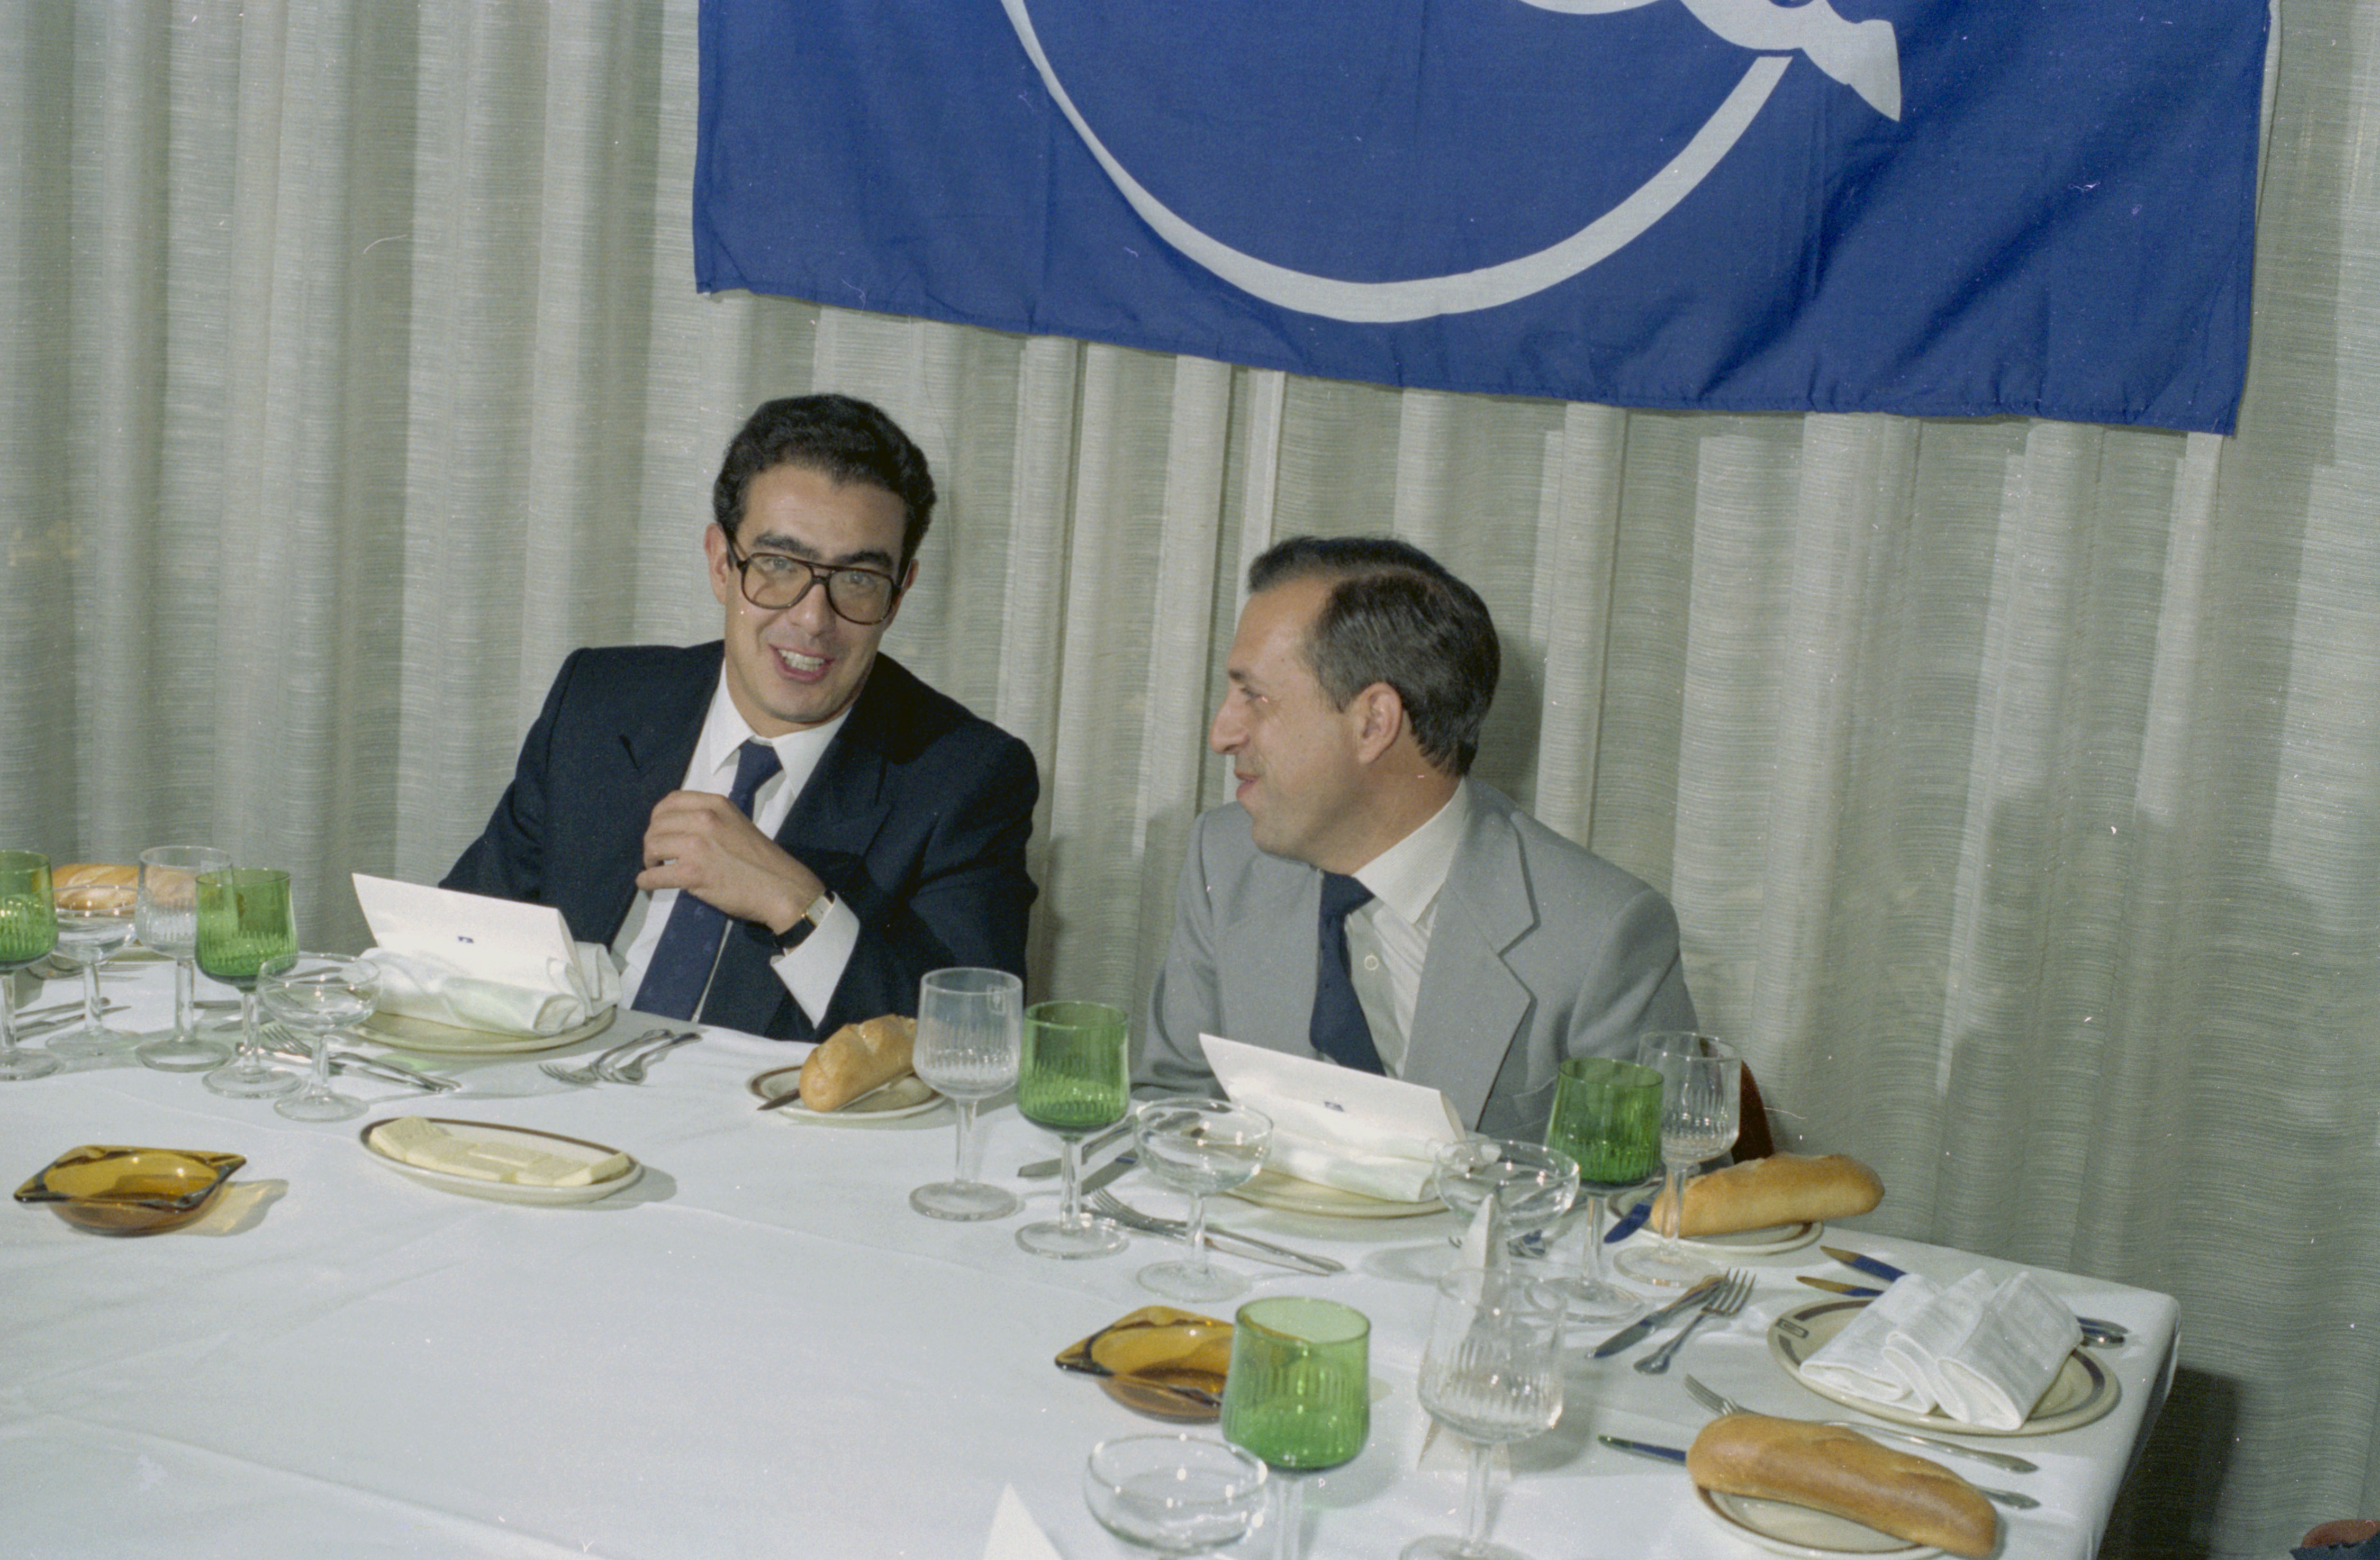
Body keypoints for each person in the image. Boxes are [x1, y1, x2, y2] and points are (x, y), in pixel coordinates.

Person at [442, 394, 1038, 1039]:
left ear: (899, 595)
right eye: (779, 565)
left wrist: (799, 904)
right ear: (722, 564)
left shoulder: (966, 778)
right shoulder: (599, 701)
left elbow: (972, 1039)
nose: (812, 619)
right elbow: (461, 939)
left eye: (859, 579)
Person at [1139, 535, 1694, 1139]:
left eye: (1255, 696)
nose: (1222, 733)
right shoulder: (1224, 857)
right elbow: (1171, 1106)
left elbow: (1663, 1189)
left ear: (1374, 722)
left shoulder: (1598, 934)